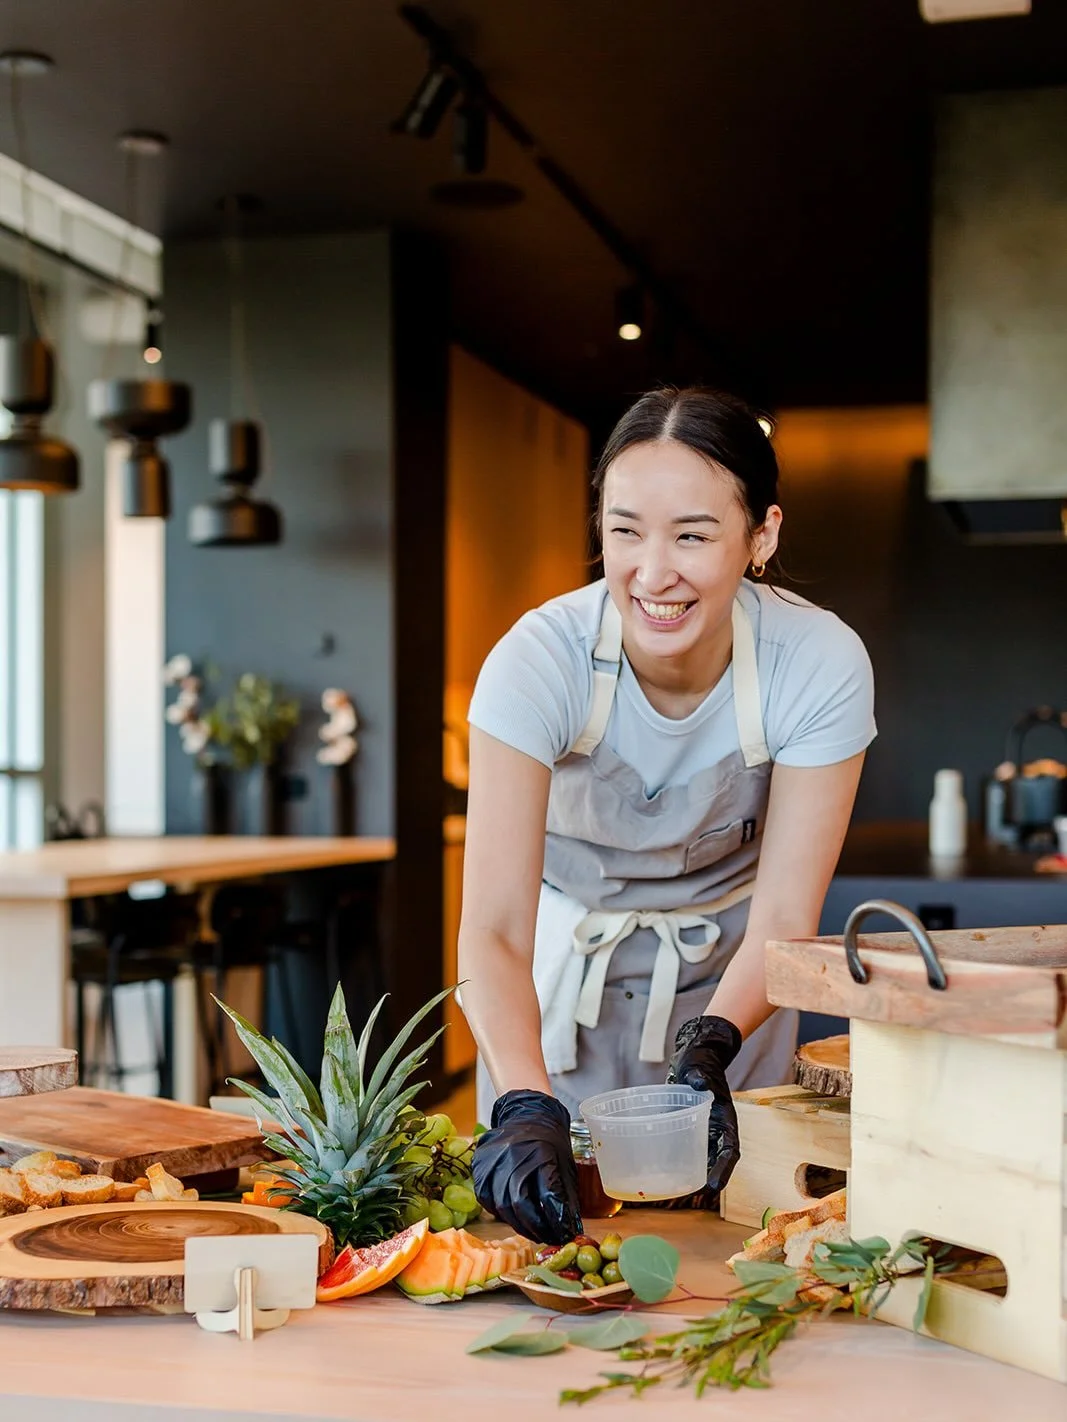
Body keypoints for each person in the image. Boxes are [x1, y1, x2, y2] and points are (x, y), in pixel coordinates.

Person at [459, 386, 875, 1244]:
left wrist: (714, 1043)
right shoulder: (539, 661)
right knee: (555, 1251)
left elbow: (785, 914)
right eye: (625, 531)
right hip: (557, 1001)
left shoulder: (816, 662)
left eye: (691, 535)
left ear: (761, 536)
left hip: (734, 991)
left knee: (734, 1248)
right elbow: (491, 929)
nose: (652, 574)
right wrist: (523, 1101)